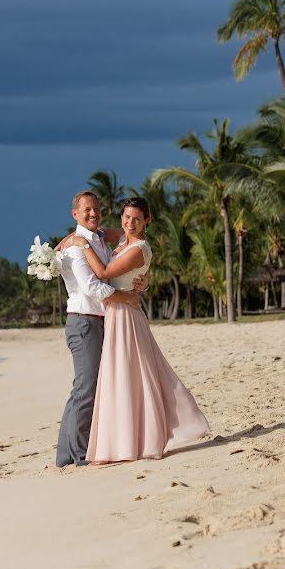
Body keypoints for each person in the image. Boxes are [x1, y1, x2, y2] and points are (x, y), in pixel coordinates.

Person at [69, 196, 210, 463]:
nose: (130, 223)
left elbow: (103, 272)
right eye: (126, 217)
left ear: (147, 220)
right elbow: (90, 229)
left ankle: (142, 440)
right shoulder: (124, 238)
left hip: (126, 316)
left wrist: (81, 245)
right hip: (115, 313)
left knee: (132, 376)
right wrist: (69, 240)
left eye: (136, 218)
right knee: (123, 377)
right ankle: (123, 441)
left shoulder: (138, 248)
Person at [55, 191, 145, 468]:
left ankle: (65, 455)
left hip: (98, 320)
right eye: (87, 210)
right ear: (74, 214)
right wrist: (126, 298)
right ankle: (80, 455)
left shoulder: (98, 239)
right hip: (84, 321)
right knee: (86, 389)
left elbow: (128, 241)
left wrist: (139, 283)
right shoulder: (75, 247)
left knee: (84, 388)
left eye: (97, 209)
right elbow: (92, 287)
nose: (93, 214)